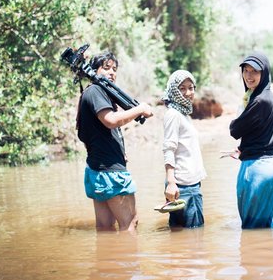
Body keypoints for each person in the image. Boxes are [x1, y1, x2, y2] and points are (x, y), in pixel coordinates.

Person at [77, 51, 153, 231]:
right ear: (94, 71)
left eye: (115, 69)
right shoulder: (96, 91)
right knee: (130, 223)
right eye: (106, 68)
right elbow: (111, 120)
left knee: (105, 227)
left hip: (97, 169)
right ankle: (128, 260)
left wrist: (119, 151)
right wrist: (140, 108)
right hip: (111, 172)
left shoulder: (90, 93)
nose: (112, 72)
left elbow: (94, 132)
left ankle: (106, 260)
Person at [229, 51, 273, 229]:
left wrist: (237, 117)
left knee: (253, 232)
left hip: (257, 171)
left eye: (255, 71)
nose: (249, 76)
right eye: (246, 70)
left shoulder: (259, 101)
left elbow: (235, 130)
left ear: (265, 73)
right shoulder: (269, 97)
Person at [162, 70, 207, 228]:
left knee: (182, 235)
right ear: (174, 90)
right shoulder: (173, 114)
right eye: (182, 88)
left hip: (191, 183)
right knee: (194, 234)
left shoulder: (183, 114)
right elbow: (169, 149)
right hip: (183, 185)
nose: (188, 93)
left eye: (191, 87)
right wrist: (171, 183)